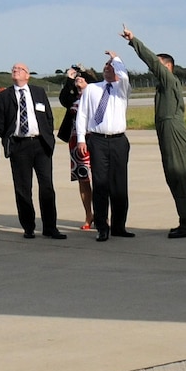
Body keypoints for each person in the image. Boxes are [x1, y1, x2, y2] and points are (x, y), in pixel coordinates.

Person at [123, 27, 186, 238]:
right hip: (167, 129)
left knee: (178, 176)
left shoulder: (169, 80)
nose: (154, 68)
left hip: (172, 129)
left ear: (168, 67)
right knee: (173, 176)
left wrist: (133, 41)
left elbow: (152, 62)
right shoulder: (164, 85)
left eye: (159, 64)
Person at [0, 63, 65, 239]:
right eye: (14, 69)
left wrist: (48, 137)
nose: (16, 70)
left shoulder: (38, 92)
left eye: (20, 69)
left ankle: (50, 227)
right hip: (19, 145)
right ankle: (28, 226)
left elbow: (48, 117)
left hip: (40, 144)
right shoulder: (4, 95)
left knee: (47, 186)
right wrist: (9, 139)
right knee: (23, 188)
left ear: (27, 75)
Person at [73, 50, 134, 242]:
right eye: (106, 66)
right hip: (98, 140)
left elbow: (124, 75)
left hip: (118, 140)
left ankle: (119, 226)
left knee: (119, 185)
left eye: (111, 66)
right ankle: (101, 226)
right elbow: (82, 114)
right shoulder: (92, 89)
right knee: (100, 184)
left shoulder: (122, 88)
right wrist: (81, 139)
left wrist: (116, 59)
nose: (108, 68)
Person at [58, 66, 96, 231]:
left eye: (82, 77)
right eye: (77, 77)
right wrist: (69, 78)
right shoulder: (73, 99)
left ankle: (102, 214)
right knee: (83, 179)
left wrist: (84, 71)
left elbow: (96, 81)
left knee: (100, 179)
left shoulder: (95, 95)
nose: (78, 78)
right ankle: (89, 214)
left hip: (94, 140)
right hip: (76, 143)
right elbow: (63, 98)